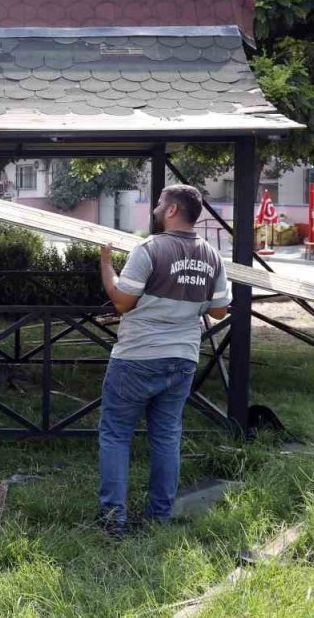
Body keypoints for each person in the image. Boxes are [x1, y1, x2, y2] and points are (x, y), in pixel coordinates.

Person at [96, 184, 231, 537]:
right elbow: (219, 309)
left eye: (159, 204)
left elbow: (122, 302)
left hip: (138, 356)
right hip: (182, 357)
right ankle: (159, 517)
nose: (155, 208)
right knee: (167, 436)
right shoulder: (212, 255)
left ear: (172, 210)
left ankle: (114, 519)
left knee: (115, 434)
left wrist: (107, 265)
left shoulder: (150, 249)